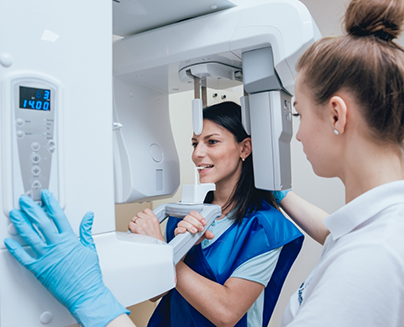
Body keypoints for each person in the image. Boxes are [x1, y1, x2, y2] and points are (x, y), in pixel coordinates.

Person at [4, 0, 404, 326]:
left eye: (296, 114)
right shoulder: (372, 230)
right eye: (195, 142)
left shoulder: (363, 259)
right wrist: (149, 253)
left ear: (336, 115)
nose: (293, 134)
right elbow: (335, 231)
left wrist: (97, 296)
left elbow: (227, 312)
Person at [128, 101, 304, 327]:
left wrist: (163, 252)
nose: (197, 154)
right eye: (194, 143)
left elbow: (226, 312)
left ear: (244, 148)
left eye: (211, 142)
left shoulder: (266, 227)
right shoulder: (182, 213)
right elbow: (155, 293)